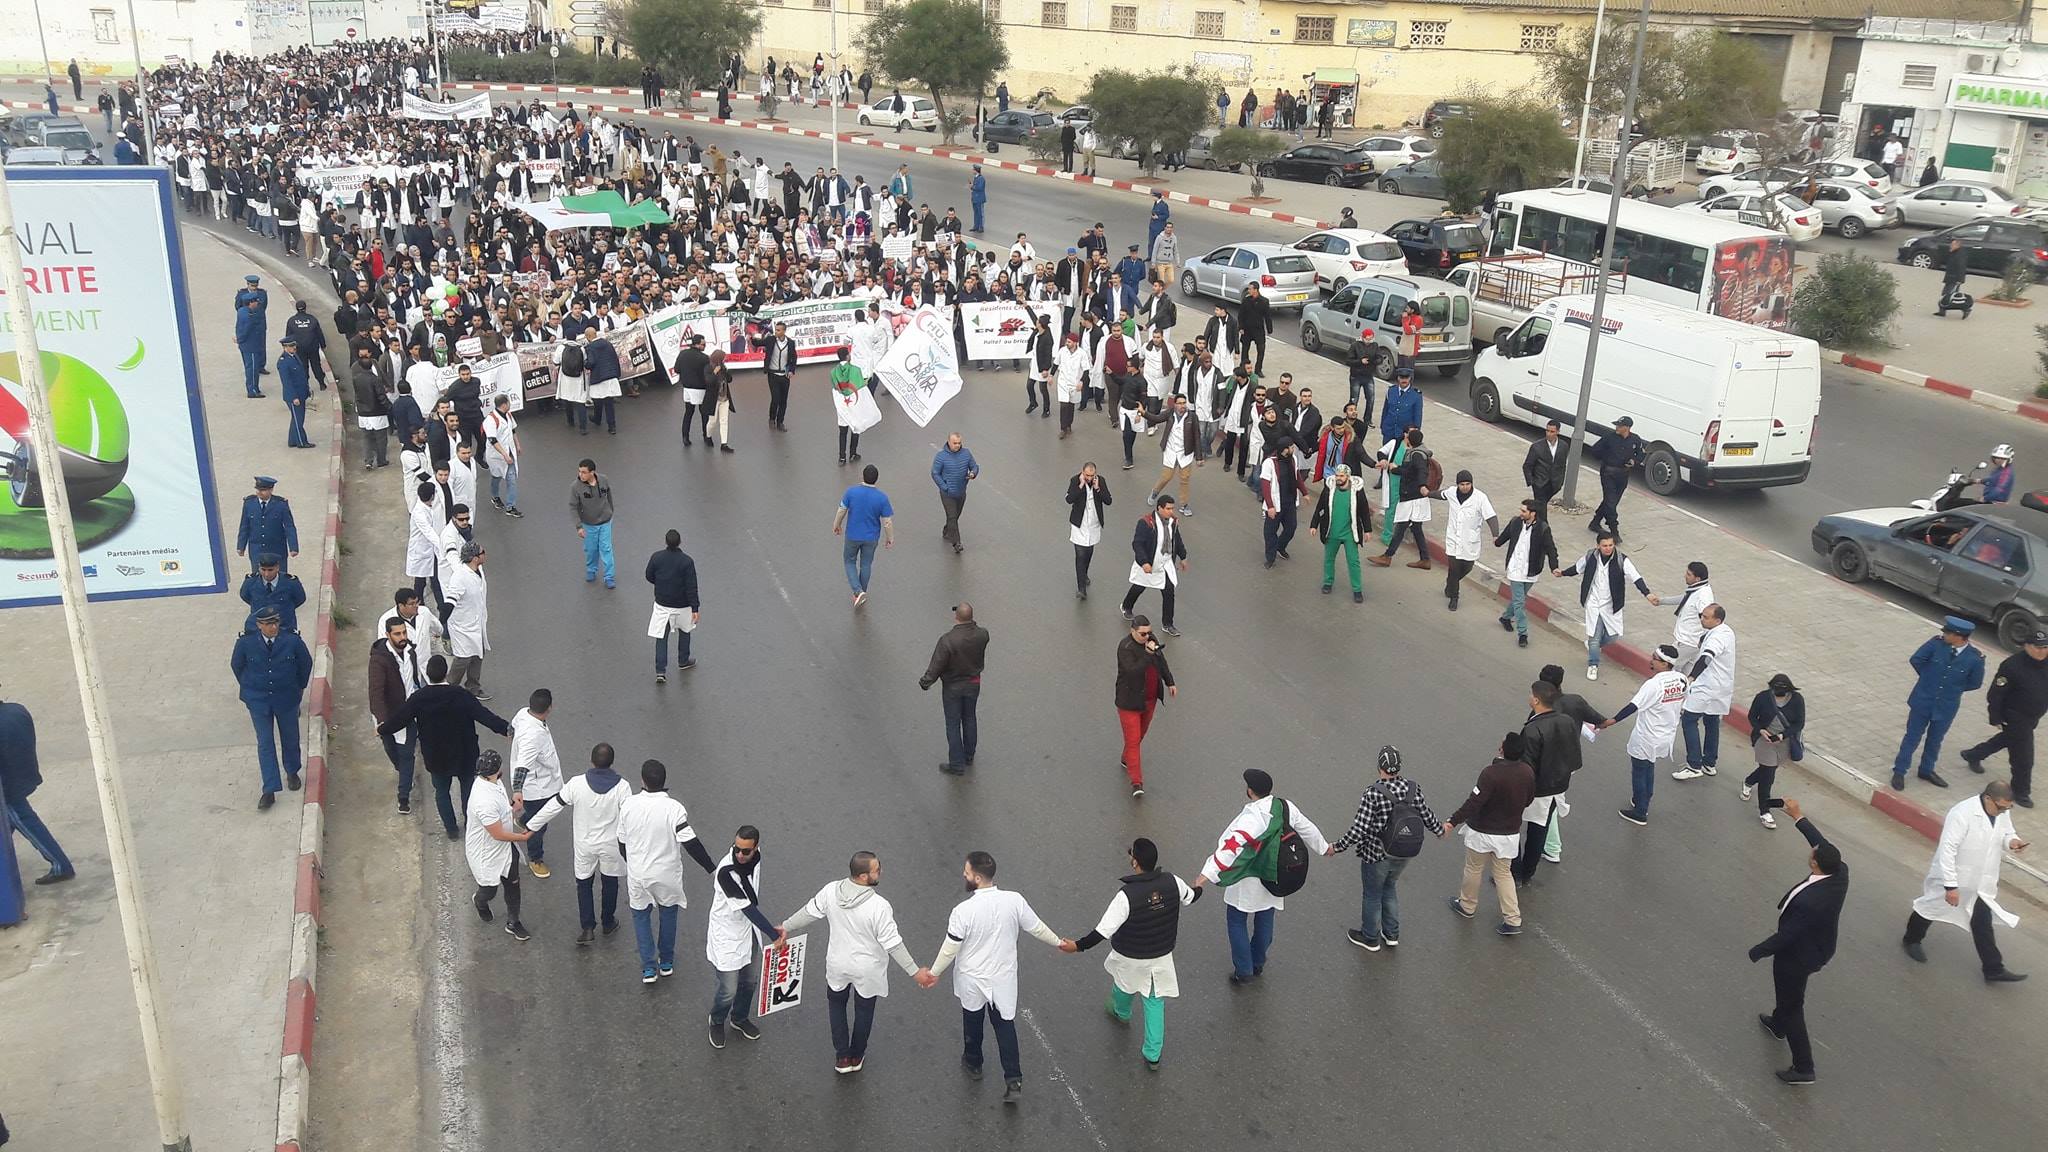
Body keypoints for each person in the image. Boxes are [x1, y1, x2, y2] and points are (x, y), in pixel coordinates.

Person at [925, 851, 1067, 1102]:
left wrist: (933, 973)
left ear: (977, 878)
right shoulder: (1014, 901)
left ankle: (974, 1063)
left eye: (967, 872)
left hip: (971, 977)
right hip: (1003, 978)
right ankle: (1013, 1080)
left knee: (972, 1020)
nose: (964, 875)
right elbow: (1036, 927)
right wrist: (1059, 942)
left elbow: (950, 949)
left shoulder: (962, 911)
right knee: (1004, 1026)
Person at [777, 851, 933, 1074]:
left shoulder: (831, 891)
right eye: (876, 870)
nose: (881, 872)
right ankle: (856, 1055)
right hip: (867, 970)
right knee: (864, 1011)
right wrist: (915, 972)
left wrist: (785, 927)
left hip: (837, 964)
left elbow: (809, 912)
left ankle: (842, 1057)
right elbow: (893, 944)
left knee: (836, 1005)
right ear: (862, 876)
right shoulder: (879, 906)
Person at [1065, 837, 1199, 1070]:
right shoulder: (1173, 882)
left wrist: (1077, 946)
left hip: (1130, 955)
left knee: (1124, 984)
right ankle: (1153, 1054)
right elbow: (1192, 896)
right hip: (1161, 955)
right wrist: (1200, 885)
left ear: (1135, 862)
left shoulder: (1126, 895)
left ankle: (1121, 1011)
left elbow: (1102, 932)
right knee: (1155, 1002)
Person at [1195, 768, 1330, 982]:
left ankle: (1244, 970)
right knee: (1265, 917)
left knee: (1237, 921)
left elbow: (1233, 845)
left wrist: (1207, 874)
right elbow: (1307, 828)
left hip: (1246, 880)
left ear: (1250, 791)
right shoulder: (1285, 807)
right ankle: (1257, 962)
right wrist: (1324, 848)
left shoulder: (1251, 817)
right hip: (1274, 875)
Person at [1747, 797, 1847, 1084]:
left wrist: (1759, 950)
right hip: (1817, 947)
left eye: (1813, 853)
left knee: (1793, 1006)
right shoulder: (1839, 873)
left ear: (1815, 864)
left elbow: (1788, 936)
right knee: (1788, 998)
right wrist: (1798, 817)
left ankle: (1804, 1067)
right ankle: (1778, 1024)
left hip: (1798, 957)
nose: (1812, 851)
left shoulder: (1810, 902)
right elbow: (1822, 843)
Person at [1903, 783, 2029, 983]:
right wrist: (1951, 886)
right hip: (1955, 874)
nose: (2004, 811)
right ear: (1988, 798)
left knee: (1982, 920)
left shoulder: (2001, 810)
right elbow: (1948, 850)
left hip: (1980, 880)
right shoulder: (1962, 813)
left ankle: (1993, 968)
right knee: (1931, 907)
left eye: (2008, 808)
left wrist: (2012, 842)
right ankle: (1911, 939)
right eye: (2001, 807)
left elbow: (2007, 832)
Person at [376, 654, 512, 840]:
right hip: (465, 753)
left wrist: (382, 729)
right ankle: (471, 823)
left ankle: (451, 830)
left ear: (428, 674)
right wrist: (506, 729)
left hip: (436, 756)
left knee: (441, 792)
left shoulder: (419, 698)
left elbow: (400, 719)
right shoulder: (461, 695)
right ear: (446, 673)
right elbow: (484, 716)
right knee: (468, 791)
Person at [1330, 745, 1443, 952]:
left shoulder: (1374, 793)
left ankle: (1370, 937)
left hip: (1377, 853)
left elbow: (1360, 828)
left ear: (1380, 766)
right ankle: (1391, 934)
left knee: (1372, 894)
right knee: (1389, 888)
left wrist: (1337, 847)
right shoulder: (1412, 788)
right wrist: (1439, 829)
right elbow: (1426, 815)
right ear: (1399, 766)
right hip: (1404, 851)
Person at [617, 758, 719, 984]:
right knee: (668, 913)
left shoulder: (628, 805)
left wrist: (632, 862)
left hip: (638, 875)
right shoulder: (674, 808)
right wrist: (713, 870)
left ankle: (648, 968)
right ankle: (666, 962)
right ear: (664, 781)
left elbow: (621, 842)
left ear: (642, 780)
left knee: (641, 916)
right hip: (667, 874)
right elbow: (692, 843)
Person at [525, 742, 633, 944]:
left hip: (585, 844)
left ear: (591, 761)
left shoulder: (577, 784)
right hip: (611, 845)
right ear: (612, 762)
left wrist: (531, 826)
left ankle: (587, 928)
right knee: (611, 882)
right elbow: (630, 817)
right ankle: (608, 922)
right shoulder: (623, 787)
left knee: (584, 883)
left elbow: (553, 806)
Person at [1444, 734, 1534, 937]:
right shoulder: (1527, 772)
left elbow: (1474, 802)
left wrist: (1452, 821)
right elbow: (1528, 799)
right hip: (1509, 834)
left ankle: (1467, 905)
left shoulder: (1490, 773)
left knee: (1474, 868)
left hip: (1482, 832)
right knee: (1504, 874)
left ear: (1503, 749)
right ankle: (1512, 919)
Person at [230, 605, 314, 810]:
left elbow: (306, 663)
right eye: (268, 624)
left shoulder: (291, 641)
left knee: (290, 737)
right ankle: (269, 788)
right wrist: (250, 687)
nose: (273, 627)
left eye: (275, 622)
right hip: (258, 700)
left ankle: (292, 771)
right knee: (265, 743)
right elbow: (237, 666)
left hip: (286, 697)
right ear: (259, 625)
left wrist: (300, 687)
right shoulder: (245, 643)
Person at [706, 826, 782, 1048]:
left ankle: (739, 1018)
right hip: (727, 932)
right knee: (729, 988)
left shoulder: (756, 857)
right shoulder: (725, 872)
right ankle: (716, 1019)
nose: (740, 854)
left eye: (746, 851)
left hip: (748, 930)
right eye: (736, 849)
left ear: (756, 848)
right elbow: (747, 907)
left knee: (749, 981)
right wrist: (774, 935)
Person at [1893, 616, 1986, 792]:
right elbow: (1916, 660)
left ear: (1959, 636)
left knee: (1935, 740)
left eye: (1948, 632)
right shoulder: (1935, 645)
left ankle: (1926, 770)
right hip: (1923, 700)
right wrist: (1929, 679)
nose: (1944, 634)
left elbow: (1975, 683)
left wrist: (1951, 690)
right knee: (1911, 737)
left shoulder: (1975, 658)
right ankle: (1899, 771)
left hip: (1946, 706)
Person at [1601, 644, 1689, 826]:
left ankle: (1640, 811)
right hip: (1665, 735)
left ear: (1665, 664)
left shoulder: (1653, 684)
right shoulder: (1682, 679)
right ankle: (1644, 798)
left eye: (1655, 658)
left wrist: (1612, 721)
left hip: (1647, 736)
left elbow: (1634, 706)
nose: (1651, 660)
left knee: (1640, 770)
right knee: (1649, 766)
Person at [1961, 629, 2048, 808]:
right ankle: (2021, 791)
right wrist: (1996, 717)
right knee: (2023, 757)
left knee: (2007, 740)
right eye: (2037, 647)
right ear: (2026, 646)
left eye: (2046, 647)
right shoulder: (2012, 665)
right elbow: (1996, 693)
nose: (2042, 651)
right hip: (2015, 716)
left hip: (2033, 716)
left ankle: (1973, 754)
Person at [1557, 533, 1659, 680]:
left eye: (1611, 545)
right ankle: (1593, 664)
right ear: (1598, 545)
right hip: (1593, 602)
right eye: (1604, 545)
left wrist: (1647, 594)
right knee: (1594, 636)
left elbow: (1636, 577)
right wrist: (1563, 573)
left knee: (1613, 637)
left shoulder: (1621, 560)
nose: (1608, 548)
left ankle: (1593, 644)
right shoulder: (1590, 556)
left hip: (1611, 604)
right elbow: (1577, 568)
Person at [0, 692, 72, 886]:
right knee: (8, 823)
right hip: (26, 774)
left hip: (7, 789)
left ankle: (61, 865)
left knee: (26, 822)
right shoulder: (17, 710)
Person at [465, 751, 534, 942]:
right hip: (486, 852)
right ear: (496, 769)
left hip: (504, 848)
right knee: (490, 890)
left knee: (513, 883)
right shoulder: (483, 800)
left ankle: (514, 922)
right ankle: (480, 900)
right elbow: (497, 834)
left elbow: (502, 809)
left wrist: (513, 807)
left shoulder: (494, 782)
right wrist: (523, 836)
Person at [920, 603, 991, 775]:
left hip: (953, 687)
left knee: (953, 724)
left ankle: (957, 764)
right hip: (973, 683)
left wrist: (926, 682)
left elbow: (937, 665)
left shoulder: (948, 640)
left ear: (956, 617)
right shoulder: (983, 634)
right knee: (969, 718)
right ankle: (969, 755)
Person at [367, 612, 425, 813]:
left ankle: (403, 797)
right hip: (387, 715)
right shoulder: (379, 661)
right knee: (392, 750)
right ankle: (403, 773)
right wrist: (381, 721)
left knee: (407, 753)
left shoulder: (411, 652)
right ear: (388, 635)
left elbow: (415, 679)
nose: (402, 637)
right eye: (397, 634)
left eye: (404, 632)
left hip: (408, 712)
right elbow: (375, 692)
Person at [1672, 603, 1737, 781]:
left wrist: (1691, 677)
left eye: (1706, 617)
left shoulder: (1717, 638)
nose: (1702, 619)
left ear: (1717, 620)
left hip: (1707, 686)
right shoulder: (1726, 631)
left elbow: (1706, 658)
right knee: (1711, 721)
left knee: (1689, 720)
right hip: (1722, 687)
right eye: (1702, 615)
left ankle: (1694, 765)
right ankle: (1709, 763)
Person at [1114, 614, 1176, 797]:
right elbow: (1133, 672)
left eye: (1149, 633)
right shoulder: (1125, 648)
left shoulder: (1151, 640)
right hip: (1129, 702)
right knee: (1133, 742)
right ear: (1132, 631)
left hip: (1149, 700)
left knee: (1140, 734)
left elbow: (1161, 662)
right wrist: (1148, 654)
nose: (1147, 637)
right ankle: (1136, 782)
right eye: (1142, 634)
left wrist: (1170, 681)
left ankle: (1127, 758)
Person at [508, 689, 563, 878]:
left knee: (535, 817)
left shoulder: (524, 713)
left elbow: (511, 727)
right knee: (539, 824)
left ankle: (523, 820)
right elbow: (522, 766)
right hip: (537, 788)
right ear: (549, 708)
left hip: (542, 781)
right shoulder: (533, 736)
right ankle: (535, 858)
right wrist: (517, 792)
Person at [1123, 495, 1188, 637]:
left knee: (1168, 591)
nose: (1171, 511)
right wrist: (1144, 562)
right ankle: (1127, 606)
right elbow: (1137, 544)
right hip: (1150, 563)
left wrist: (1183, 556)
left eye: (1172, 508)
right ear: (1159, 508)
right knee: (1139, 586)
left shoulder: (1173, 522)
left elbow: (1176, 539)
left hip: (1165, 563)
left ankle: (1168, 624)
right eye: (1168, 508)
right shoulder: (1146, 523)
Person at [1495, 499, 1556, 648]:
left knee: (1518, 599)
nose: (1520, 513)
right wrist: (1497, 542)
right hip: (1515, 569)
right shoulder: (1515, 522)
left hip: (1531, 571)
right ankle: (1523, 633)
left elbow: (1551, 549)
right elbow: (1504, 536)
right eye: (1520, 510)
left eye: (1524, 511)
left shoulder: (1542, 528)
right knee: (1520, 602)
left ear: (1532, 513)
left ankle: (1506, 617)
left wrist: (1554, 567)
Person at [833, 464, 895, 608]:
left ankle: (857, 591)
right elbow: (887, 522)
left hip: (853, 535)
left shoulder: (851, 492)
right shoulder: (882, 498)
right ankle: (862, 593)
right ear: (876, 479)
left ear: (863, 476)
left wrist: (836, 525)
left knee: (849, 561)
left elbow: (842, 510)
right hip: (871, 538)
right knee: (866, 564)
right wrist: (890, 538)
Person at [1370, 428, 1432, 568]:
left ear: (1410, 441)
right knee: (1416, 528)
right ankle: (1425, 559)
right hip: (1415, 497)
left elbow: (1416, 471)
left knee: (1401, 527)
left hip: (1412, 498)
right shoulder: (1419, 452)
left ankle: (1387, 556)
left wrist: (1395, 469)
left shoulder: (1416, 455)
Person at [1310, 463, 1371, 603]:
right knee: (1328, 559)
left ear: (1348, 477)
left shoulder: (1357, 491)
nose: (1338, 478)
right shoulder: (1329, 489)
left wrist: (1367, 530)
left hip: (1350, 533)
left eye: (1341, 476)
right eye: (1337, 475)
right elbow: (1320, 507)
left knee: (1353, 562)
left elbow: (1364, 511)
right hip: (1332, 532)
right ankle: (1328, 582)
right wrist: (1314, 525)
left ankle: (1357, 590)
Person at [646, 529, 701, 682]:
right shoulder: (687, 561)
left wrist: (661, 583)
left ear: (666, 541)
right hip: (682, 606)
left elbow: (649, 575)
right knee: (685, 631)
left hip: (662, 605)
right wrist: (695, 608)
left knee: (661, 637)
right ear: (679, 542)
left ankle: (660, 671)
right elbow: (692, 586)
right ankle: (683, 660)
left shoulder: (656, 558)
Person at [1440, 470, 1499, 611]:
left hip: (1469, 541)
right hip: (1453, 539)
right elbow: (1439, 494)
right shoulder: (1451, 493)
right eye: (1462, 484)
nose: (1465, 487)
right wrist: (1426, 492)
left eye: (1468, 484)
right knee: (1454, 568)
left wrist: (1495, 535)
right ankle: (1454, 597)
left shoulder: (1480, 498)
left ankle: (1451, 584)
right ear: (1457, 484)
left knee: (1467, 567)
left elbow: (1491, 517)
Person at [444, 541, 491, 699]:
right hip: (462, 626)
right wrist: (442, 620)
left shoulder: (478, 569)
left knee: (479, 653)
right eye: (482, 552)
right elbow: (451, 599)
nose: (485, 553)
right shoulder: (460, 576)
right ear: (475, 558)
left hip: (477, 621)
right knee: (463, 658)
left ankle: (473, 687)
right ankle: (449, 689)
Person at [1588, 417, 1647, 540]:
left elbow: (1641, 454)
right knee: (1610, 503)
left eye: (1620, 426)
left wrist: (1634, 461)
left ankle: (1595, 522)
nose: (1617, 428)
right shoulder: (1609, 437)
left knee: (1612, 501)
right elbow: (1595, 450)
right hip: (1608, 473)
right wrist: (1607, 458)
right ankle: (1614, 530)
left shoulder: (1635, 439)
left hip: (1623, 475)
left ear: (1627, 427)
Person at [1144, 394, 1199, 515]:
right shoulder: (1169, 414)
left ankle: (1184, 505)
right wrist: (1144, 413)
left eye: (1184, 403)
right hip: (1170, 450)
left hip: (1185, 453)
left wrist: (1199, 457)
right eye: (1179, 403)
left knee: (1184, 479)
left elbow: (1197, 436)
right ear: (1174, 405)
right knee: (1166, 477)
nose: (1182, 406)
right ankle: (1155, 492)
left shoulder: (1192, 417)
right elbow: (1157, 418)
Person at [1258, 436, 1306, 568]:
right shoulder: (1269, 463)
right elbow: (1265, 485)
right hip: (1275, 503)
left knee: (1291, 528)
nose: (1293, 448)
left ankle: (1280, 546)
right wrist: (1270, 506)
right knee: (1270, 532)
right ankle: (1270, 557)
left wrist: (1305, 492)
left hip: (1289, 502)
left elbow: (1297, 478)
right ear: (1285, 449)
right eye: (1291, 447)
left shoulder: (1293, 460)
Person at [1066, 463, 1113, 597]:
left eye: (1092, 476)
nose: (1089, 478)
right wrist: (1080, 486)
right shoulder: (1075, 480)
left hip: (1093, 524)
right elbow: (1069, 499)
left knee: (1089, 551)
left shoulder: (1101, 481)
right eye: (1087, 475)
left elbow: (1108, 500)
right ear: (1082, 472)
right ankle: (1081, 589)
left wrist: (1098, 489)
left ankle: (1084, 573)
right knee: (1080, 555)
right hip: (1079, 524)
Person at [237, 476, 300, 573]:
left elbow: (289, 527)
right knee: (258, 578)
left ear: (271, 490)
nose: (259, 492)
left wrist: (293, 547)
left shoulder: (280, 505)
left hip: (276, 549)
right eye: (257, 489)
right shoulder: (249, 504)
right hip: (257, 550)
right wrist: (241, 546)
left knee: (280, 577)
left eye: (263, 490)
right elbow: (244, 526)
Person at [571, 458, 617, 589]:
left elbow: (609, 496)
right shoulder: (576, 487)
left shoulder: (604, 480)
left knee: (606, 549)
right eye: (580, 472)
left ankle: (609, 576)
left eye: (584, 472)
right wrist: (579, 526)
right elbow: (573, 507)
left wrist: (610, 511)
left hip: (605, 522)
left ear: (592, 472)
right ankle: (591, 570)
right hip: (588, 524)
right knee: (591, 549)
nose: (581, 475)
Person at [931, 433, 979, 553]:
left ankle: (947, 530)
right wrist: (944, 487)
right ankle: (956, 542)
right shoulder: (941, 456)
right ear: (949, 442)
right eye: (955, 443)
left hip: (961, 492)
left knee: (955, 516)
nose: (957, 445)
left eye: (959, 443)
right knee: (952, 516)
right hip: (947, 494)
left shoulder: (966, 453)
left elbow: (974, 466)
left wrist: (973, 474)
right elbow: (935, 473)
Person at [239, 554, 306, 633]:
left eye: (270, 570)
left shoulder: (290, 583)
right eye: (263, 570)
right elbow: (244, 596)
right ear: (259, 568)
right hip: (259, 628)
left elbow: (300, 598)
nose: (266, 574)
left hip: (284, 627)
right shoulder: (250, 582)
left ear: (277, 567)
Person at [482, 395, 521, 517]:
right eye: (508, 403)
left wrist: (517, 444)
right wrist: (504, 454)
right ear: (504, 404)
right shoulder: (491, 419)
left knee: (511, 479)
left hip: (509, 453)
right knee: (496, 476)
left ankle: (510, 506)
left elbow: (512, 430)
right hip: (496, 456)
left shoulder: (508, 415)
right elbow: (492, 440)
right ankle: (495, 496)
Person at [830, 345, 869, 465]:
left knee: (842, 431)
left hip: (842, 404)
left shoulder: (833, 372)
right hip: (853, 402)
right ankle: (853, 453)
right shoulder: (856, 370)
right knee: (855, 428)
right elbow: (860, 385)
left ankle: (842, 457)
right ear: (847, 356)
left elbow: (836, 388)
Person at [1670, 561, 1715, 664]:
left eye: (1689, 574)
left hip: (1688, 642)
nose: (1685, 576)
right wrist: (1662, 601)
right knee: (1687, 674)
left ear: (1697, 579)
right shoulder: (1697, 590)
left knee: (1671, 669)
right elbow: (1685, 599)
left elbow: (1707, 619)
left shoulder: (1703, 597)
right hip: (1688, 641)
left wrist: (1702, 639)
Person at [1522, 419, 1565, 520]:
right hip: (1540, 483)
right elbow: (1527, 466)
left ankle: (1532, 520)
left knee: (1540, 506)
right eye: (1547, 430)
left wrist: (1560, 481)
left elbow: (1562, 465)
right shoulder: (1537, 447)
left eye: (1552, 431)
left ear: (1558, 432)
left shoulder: (1563, 446)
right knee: (1541, 507)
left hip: (1554, 484)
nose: (1549, 434)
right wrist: (1532, 482)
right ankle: (1544, 528)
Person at [760, 321, 797, 431]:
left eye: (778, 330)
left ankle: (780, 422)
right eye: (775, 329)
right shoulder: (771, 340)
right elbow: (759, 343)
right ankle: (772, 418)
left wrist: (791, 370)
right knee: (775, 398)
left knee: (783, 400)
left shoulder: (790, 343)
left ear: (784, 331)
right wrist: (753, 338)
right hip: (773, 374)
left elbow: (793, 358)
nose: (776, 332)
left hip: (785, 376)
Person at [278, 336, 313, 449]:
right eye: (291, 346)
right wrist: (294, 397)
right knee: (298, 419)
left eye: (294, 345)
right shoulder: (283, 362)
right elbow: (287, 382)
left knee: (296, 418)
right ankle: (301, 442)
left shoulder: (294, 357)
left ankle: (292, 440)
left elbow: (301, 376)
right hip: (294, 396)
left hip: (301, 392)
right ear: (285, 347)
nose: (294, 347)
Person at [236, 296, 267, 397]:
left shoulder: (241, 311)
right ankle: (252, 391)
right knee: (252, 369)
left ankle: (255, 388)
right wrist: (239, 339)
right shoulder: (249, 316)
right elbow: (246, 331)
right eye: (255, 302)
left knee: (251, 367)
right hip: (251, 346)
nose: (257, 303)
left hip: (246, 346)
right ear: (250, 303)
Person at [1934, 239, 1972, 319]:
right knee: (1946, 295)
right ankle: (1942, 311)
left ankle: (1966, 309)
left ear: (1958, 245)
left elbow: (1961, 267)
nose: (1950, 246)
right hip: (1950, 278)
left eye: (1952, 245)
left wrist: (1960, 280)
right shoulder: (1954, 252)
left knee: (1950, 296)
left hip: (1955, 279)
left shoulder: (1960, 255)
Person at [969, 164, 987, 233]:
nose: (972, 170)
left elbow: (979, 188)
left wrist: (972, 186)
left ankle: (981, 227)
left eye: (973, 169)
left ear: (976, 170)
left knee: (980, 214)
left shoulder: (981, 178)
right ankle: (976, 226)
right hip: (975, 199)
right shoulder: (976, 177)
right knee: (976, 213)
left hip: (979, 199)